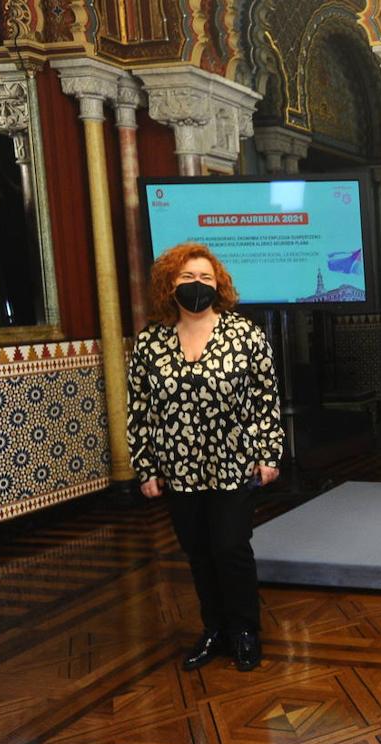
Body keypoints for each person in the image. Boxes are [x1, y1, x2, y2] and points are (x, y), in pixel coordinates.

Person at [126, 242, 283, 673]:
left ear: (220, 285)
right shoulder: (151, 342)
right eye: (188, 279)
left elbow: (266, 398)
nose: (197, 286)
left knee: (230, 547)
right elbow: (139, 406)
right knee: (198, 551)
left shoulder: (245, 334)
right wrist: (146, 466)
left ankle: (245, 631)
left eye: (206, 279)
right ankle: (214, 629)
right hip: (177, 468)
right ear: (169, 285)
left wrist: (269, 452)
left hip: (233, 462)